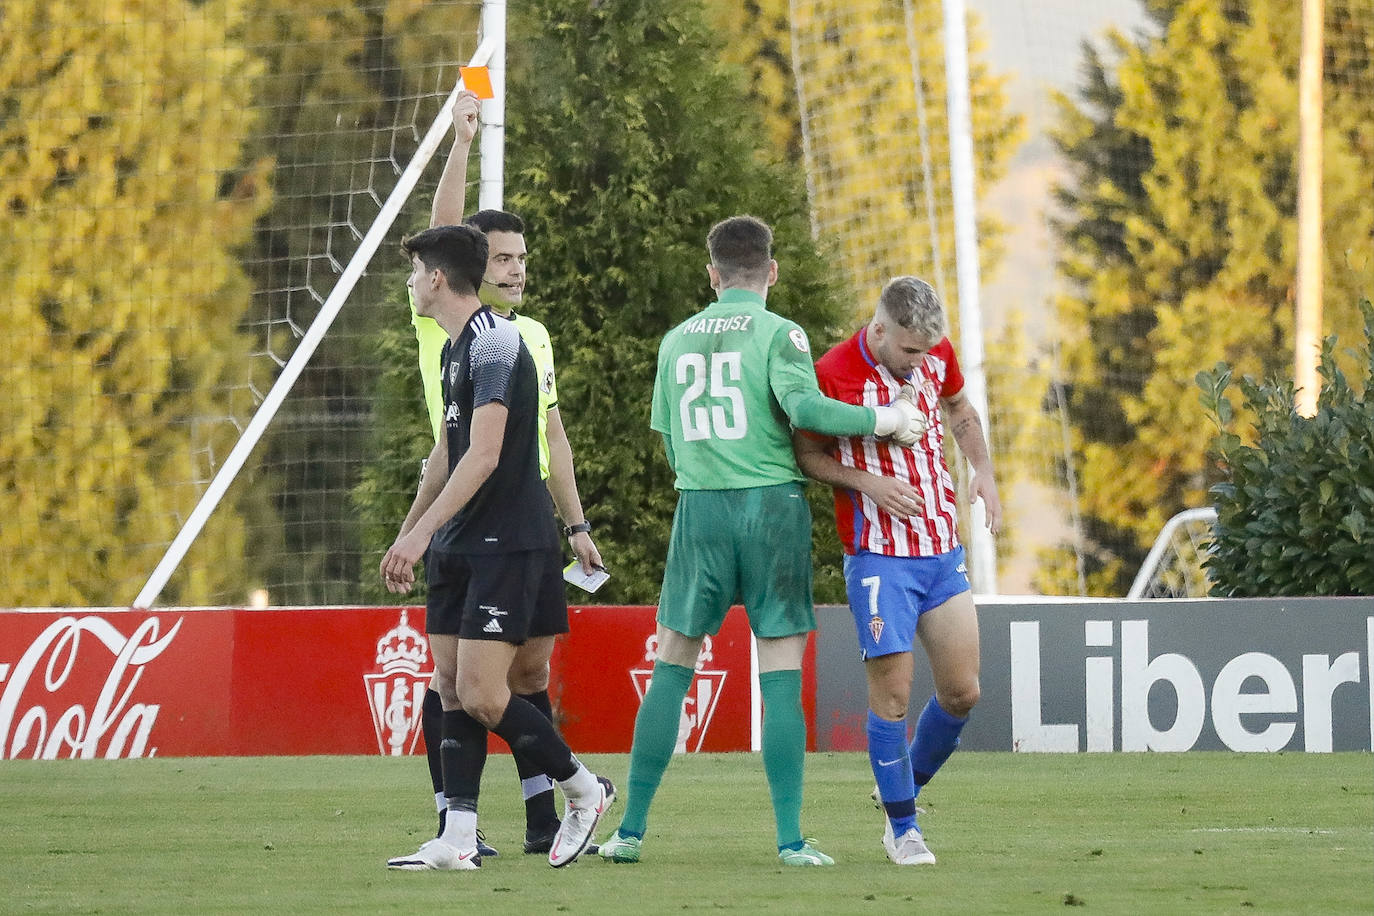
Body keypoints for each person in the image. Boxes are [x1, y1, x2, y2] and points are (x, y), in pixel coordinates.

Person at [596, 215, 925, 867]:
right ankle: (789, 840)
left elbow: (667, 436)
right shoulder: (781, 334)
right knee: (777, 665)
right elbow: (805, 411)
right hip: (769, 508)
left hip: (699, 509)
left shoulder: (675, 341)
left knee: (672, 661)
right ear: (771, 271)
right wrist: (887, 419)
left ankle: (629, 832)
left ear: (711, 273)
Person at [403, 89, 604, 859]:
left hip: (519, 519)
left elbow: (551, 432)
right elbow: (444, 239)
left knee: (523, 672)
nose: (517, 271)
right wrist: (458, 145)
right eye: (504, 260)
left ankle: (542, 816)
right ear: (471, 271)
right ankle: (464, 822)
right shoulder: (446, 331)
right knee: (462, 682)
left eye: (523, 259)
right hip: (467, 514)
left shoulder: (526, 339)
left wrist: (576, 522)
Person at [792, 275, 1001, 866]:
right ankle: (904, 829)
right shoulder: (834, 372)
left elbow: (959, 407)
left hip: (940, 551)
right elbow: (806, 453)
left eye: (927, 351)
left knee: (963, 692)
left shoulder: (935, 352)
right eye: (910, 350)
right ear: (879, 330)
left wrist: (982, 470)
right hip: (879, 557)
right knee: (893, 697)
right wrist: (868, 484)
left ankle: (897, 793)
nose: (921, 360)